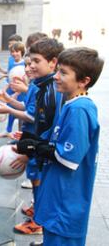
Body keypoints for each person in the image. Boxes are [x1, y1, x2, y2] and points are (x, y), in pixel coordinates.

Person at [17, 47, 104, 246]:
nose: (56, 76)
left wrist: (36, 148)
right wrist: (34, 141)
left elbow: (69, 157)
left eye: (63, 73)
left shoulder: (80, 109)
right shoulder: (71, 103)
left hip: (66, 203)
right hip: (57, 197)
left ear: (84, 81)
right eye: (58, 70)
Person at [13, 38, 65, 240]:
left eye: (36, 61)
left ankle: (39, 224)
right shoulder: (43, 86)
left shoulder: (52, 90)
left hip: (47, 155)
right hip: (41, 150)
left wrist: (31, 150)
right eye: (29, 61)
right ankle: (40, 222)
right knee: (42, 191)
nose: (31, 66)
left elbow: (50, 128)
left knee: (46, 191)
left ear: (53, 63)